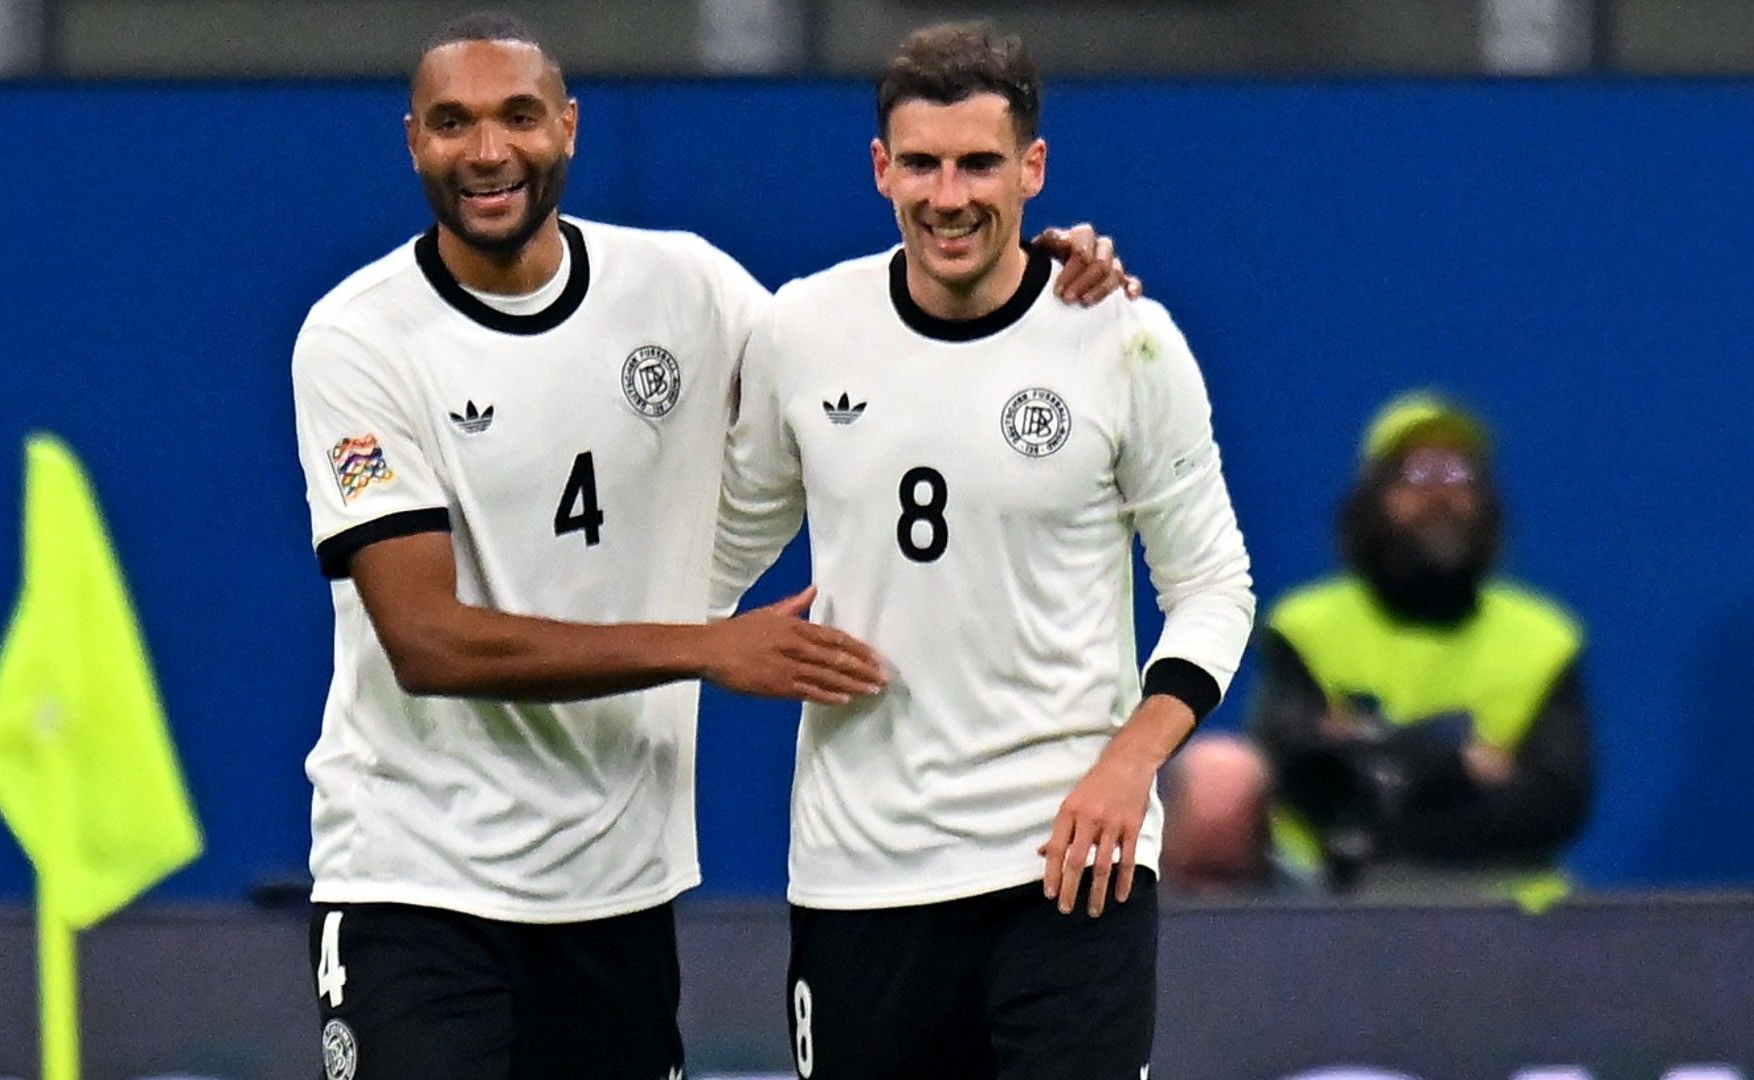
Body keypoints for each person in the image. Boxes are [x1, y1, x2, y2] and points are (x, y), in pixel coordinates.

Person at [289, 11, 1142, 1079]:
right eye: (453, 124)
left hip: (620, 883)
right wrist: (707, 647)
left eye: (518, 117)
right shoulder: (358, 338)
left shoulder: (685, 288)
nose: (489, 151)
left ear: (569, 128)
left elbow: (884, 333)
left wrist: (1041, 273)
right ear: (413, 140)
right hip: (412, 877)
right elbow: (426, 641)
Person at [711, 23, 1255, 1079]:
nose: (948, 195)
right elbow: (716, 553)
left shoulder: (1124, 340)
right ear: (880, 169)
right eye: (920, 163)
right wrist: (697, 645)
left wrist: (1129, 765)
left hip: (1070, 863)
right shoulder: (803, 331)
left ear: (1034, 169)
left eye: (979, 164)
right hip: (863, 875)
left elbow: (1212, 586)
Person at [1160, 392, 1594, 897]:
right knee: (1219, 775)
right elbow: (1300, 772)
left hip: (1501, 897)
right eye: (1416, 475)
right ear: (1373, 498)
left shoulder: (1546, 638)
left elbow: (1554, 808)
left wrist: (1370, 755)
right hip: (1329, 895)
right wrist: (1458, 763)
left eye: (1458, 475)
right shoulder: (1307, 626)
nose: (1440, 495)